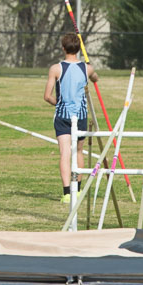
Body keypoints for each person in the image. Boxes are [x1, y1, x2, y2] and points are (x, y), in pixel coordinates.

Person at [44, 32, 98, 205]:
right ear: (79, 49)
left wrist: (59, 104)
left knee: (65, 153)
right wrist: (90, 68)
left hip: (63, 116)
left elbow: (47, 96)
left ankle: (67, 192)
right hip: (81, 117)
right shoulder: (86, 68)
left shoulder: (56, 68)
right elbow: (96, 79)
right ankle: (78, 189)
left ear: (63, 48)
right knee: (78, 152)